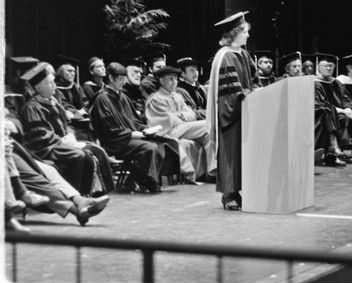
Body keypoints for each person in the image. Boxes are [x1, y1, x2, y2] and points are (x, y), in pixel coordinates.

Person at [19, 62, 115, 196]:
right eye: (49, 83)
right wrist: (63, 141)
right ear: (38, 88)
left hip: (59, 143)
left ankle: (96, 191)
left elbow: (67, 123)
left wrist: (70, 135)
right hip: (44, 148)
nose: (54, 86)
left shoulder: (53, 101)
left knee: (96, 150)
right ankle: (76, 193)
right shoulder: (32, 107)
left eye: (53, 82)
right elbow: (41, 135)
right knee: (80, 155)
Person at [89, 62, 184, 192]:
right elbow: (108, 129)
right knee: (150, 147)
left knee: (167, 142)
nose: (123, 82)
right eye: (121, 79)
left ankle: (151, 178)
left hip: (130, 137)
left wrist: (144, 129)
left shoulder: (123, 97)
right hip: (116, 141)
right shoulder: (102, 99)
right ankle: (144, 179)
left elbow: (135, 121)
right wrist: (133, 134)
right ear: (111, 78)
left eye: (124, 79)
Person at [5, 118, 110, 226]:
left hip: (13, 149)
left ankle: (80, 201)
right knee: (34, 177)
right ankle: (77, 210)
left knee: (50, 170)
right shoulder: (32, 107)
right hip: (35, 148)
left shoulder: (50, 102)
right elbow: (38, 134)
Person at [206, 11, 261, 210]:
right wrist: (246, 96)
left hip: (245, 110)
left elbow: (254, 80)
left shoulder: (244, 54)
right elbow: (229, 91)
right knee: (231, 153)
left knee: (243, 153)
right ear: (234, 33)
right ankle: (228, 193)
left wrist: (257, 91)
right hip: (231, 113)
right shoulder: (225, 56)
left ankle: (241, 190)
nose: (247, 35)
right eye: (244, 31)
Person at [145, 66, 217, 182]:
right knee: (207, 124)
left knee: (210, 130)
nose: (174, 82)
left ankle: (212, 170)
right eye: (170, 79)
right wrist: (182, 117)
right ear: (161, 81)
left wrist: (180, 116)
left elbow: (191, 114)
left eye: (175, 79)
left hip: (182, 129)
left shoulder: (177, 96)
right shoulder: (156, 99)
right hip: (168, 132)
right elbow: (167, 121)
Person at [314, 54, 352, 166]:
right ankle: (334, 148)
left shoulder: (336, 82)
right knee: (331, 114)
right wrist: (340, 111)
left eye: (331, 66)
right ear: (318, 67)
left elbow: (346, 98)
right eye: (325, 66)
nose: (328, 68)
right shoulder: (314, 82)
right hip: (319, 114)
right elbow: (319, 104)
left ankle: (336, 152)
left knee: (346, 117)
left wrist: (347, 108)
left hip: (337, 112)